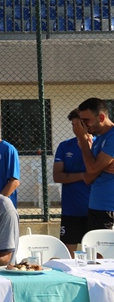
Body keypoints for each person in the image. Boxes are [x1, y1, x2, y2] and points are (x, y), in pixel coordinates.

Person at [53, 109, 92, 254]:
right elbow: (57, 176)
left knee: (96, 256)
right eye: (73, 125)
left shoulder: (99, 145)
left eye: (77, 125)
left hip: (94, 210)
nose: (74, 129)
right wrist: (82, 175)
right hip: (71, 211)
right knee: (68, 256)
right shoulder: (65, 146)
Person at [73, 97, 114, 231]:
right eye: (81, 121)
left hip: (109, 207)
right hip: (97, 206)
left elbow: (91, 169)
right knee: (95, 244)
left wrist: (82, 139)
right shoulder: (98, 140)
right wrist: (98, 167)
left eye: (86, 120)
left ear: (101, 117)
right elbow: (88, 178)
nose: (84, 125)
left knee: (105, 245)